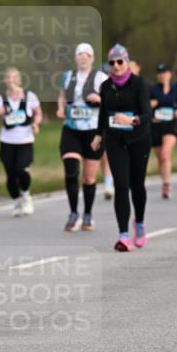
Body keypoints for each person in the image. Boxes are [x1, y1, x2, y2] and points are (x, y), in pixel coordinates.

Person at [90, 45, 152, 252]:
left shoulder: (139, 84)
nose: (116, 66)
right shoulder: (106, 86)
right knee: (121, 185)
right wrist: (98, 135)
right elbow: (103, 113)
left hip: (139, 139)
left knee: (137, 185)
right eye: (112, 62)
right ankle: (123, 235)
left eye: (120, 62)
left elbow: (148, 114)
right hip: (115, 140)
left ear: (126, 62)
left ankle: (139, 223)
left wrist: (132, 120)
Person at [56, 43, 108, 231]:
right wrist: (61, 108)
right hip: (71, 129)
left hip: (93, 131)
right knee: (71, 171)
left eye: (87, 55)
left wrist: (99, 99)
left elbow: (112, 101)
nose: (83, 58)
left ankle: (88, 214)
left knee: (88, 177)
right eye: (80, 54)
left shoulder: (101, 78)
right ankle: (73, 213)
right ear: (76, 58)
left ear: (92, 59)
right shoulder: (68, 76)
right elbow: (62, 96)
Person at [0, 67, 42, 217]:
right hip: (7, 142)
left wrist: (36, 124)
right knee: (11, 175)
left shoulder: (29, 96)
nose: (11, 81)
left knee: (22, 170)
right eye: (8, 78)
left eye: (14, 78)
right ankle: (17, 201)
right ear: (5, 81)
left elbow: (38, 113)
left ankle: (26, 196)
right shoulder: (0, 99)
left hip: (25, 141)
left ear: (19, 80)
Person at [149, 63, 177, 199]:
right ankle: (164, 180)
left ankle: (167, 184)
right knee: (160, 158)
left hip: (170, 125)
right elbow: (144, 107)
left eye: (165, 72)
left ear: (170, 74)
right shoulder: (152, 90)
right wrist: (150, 106)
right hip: (155, 126)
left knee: (165, 154)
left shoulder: (176, 90)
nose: (162, 75)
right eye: (160, 73)